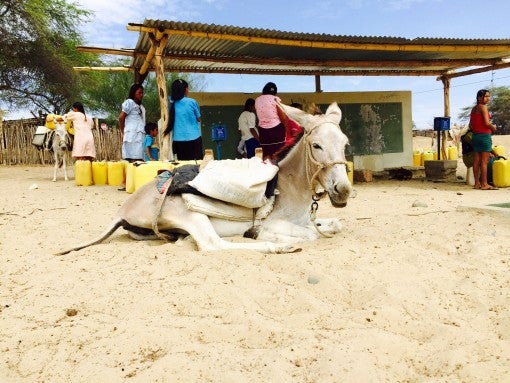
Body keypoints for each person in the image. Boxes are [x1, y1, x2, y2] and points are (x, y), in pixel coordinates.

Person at [163, 79, 202, 160]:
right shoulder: (192, 102)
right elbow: (199, 119)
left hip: (178, 141)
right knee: (197, 165)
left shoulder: (170, 104)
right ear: (186, 89)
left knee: (183, 166)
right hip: (194, 139)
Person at [469, 89, 498, 190]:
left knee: (476, 161)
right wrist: (493, 128)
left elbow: (470, 126)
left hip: (475, 136)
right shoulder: (483, 107)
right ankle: (485, 184)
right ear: (479, 97)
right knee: (484, 162)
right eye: (486, 96)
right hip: (484, 136)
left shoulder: (473, 109)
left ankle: (477, 183)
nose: (488, 99)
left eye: (488, 96)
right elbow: (486, 123)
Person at [254, 82, 286, 160]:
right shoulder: (275, 99)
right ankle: (276, 171)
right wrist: (286, 126)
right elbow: (282, 116)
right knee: (277, 154)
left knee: (266, 155)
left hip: (263, 131)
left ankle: (267, 171)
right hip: (277, 130)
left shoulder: (257, 100)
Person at [119, 83, 145, 162]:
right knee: (133, 158)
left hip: (138, 134)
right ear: (134, 93)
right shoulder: (129, 102)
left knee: (139, 158)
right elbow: (121, 117)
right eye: (139, 93)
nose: (141, 95)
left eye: (142, 93)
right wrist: (122, 132)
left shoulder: (138, 106)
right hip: (132, 135)